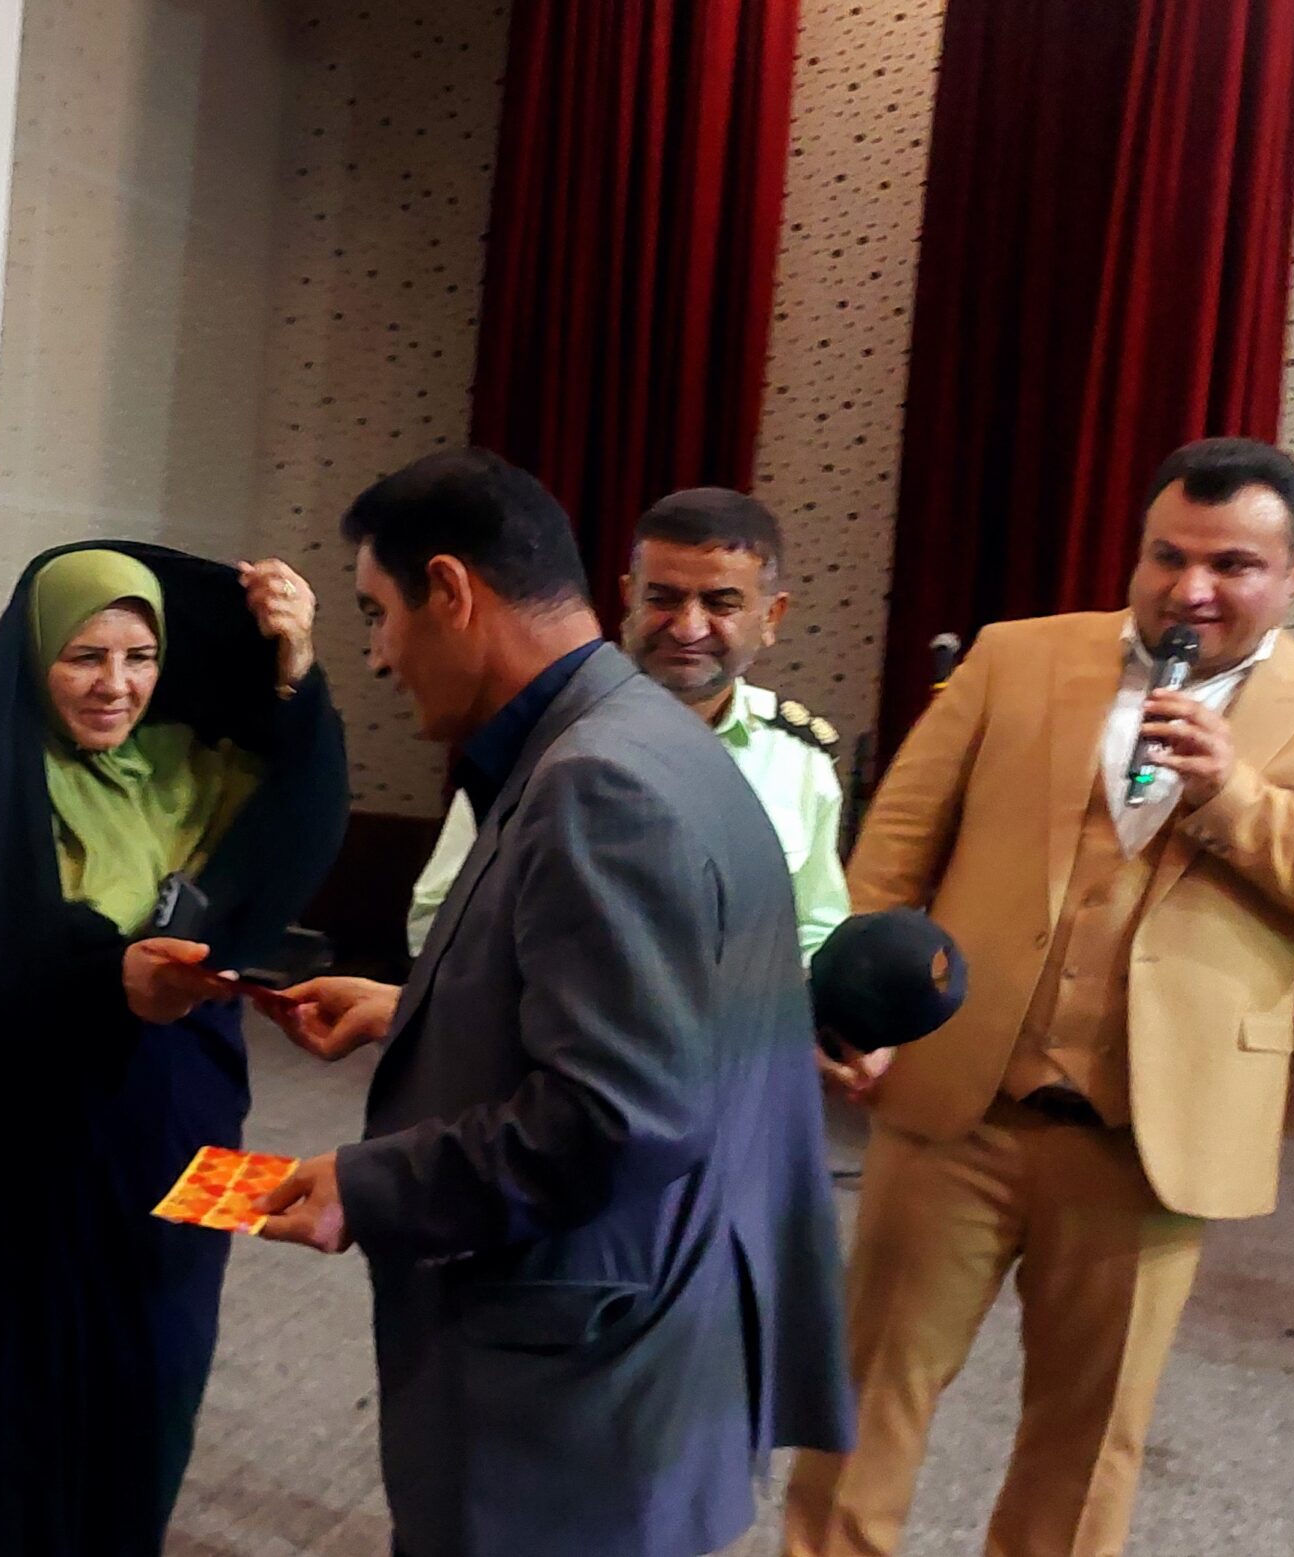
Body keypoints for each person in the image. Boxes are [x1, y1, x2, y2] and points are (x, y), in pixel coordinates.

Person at [782, 438, 1294, 1557]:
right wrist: (854, 1005)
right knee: (863, 1402)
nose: (1191, 589)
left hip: (1151, 1140)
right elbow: (894, 849)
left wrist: (1234, 795)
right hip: (956, 1104)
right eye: (1166, 556)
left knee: (1087, 1449)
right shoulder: (1015, 657)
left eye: (1231, 564)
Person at [256, 449, 851, 1557]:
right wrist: (416, 1006)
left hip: (583, 1383)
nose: (378, 655)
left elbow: (617, 1114)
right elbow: (653, 1019)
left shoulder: (597, 780)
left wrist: (367, 1185)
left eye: (378, 613)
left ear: (450, 589)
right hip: (645, 1333)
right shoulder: (637, 732)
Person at [0, 544, 349, 1556]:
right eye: (84, 656)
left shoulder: (185, 765)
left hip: (188, 1134)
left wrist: (297, 667)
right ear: (35, 656)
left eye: (139, 656)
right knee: (0, 1452)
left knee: (152, 1409)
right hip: (12, 1168)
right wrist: (103, 978)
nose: (115, 685)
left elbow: (302, 813)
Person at [407, 487, 846, 963]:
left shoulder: (798, 759)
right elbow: (435, 920)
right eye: (663, 599)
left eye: (721, 604)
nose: (688, 628)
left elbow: (816, 934)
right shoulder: (539, 734)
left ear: (771, 617)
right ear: (627, 598)